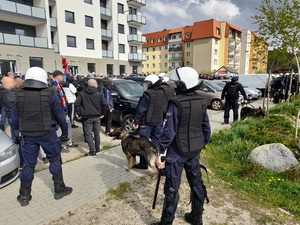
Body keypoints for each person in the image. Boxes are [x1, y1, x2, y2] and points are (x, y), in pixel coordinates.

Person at [152, 67, 211, 225]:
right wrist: (201, 144)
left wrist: (160, 153)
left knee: (172, 187)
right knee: (196, 183)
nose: (175, 85)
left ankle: (166, 222)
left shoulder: (176, 103)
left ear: (182, 83)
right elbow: (206, 128)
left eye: (177, 83)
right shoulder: (201, 100)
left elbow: (168, 132)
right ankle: (197, 218)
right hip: (194, 151)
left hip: (176, 153)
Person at [11, 67, 73, 207]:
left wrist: (15, 135)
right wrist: (65, 133)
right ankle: (59, 189)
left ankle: (24, 196)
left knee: (28, 165)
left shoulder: (19, 94)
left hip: (27, 136)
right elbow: (60, 115)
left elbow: (14, 119)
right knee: (55, 160)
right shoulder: (50, 93)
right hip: (47, 134)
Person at [133, 74, 165, 170]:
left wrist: (136, 121)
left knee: (143, 144)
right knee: (156, 143)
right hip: (158, 122)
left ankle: (144, 164)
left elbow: (141, 109)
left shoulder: (147, 94)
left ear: (151, 83)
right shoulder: (162, 93)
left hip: (146, 123)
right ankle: (157, 162)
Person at [75, 79, 108, 156]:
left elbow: (76, 103)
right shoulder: (99, 94)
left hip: (86, 117)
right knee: (97, 134)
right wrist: (103, 113)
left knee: (88, 135)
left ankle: (92, 150)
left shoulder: (82, 93)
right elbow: (105, 104)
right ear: (94, 84)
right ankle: (97, 149)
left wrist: (80, 113)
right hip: (97, 116)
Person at [52, 70, 78, 148]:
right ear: (58, 76)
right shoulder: (54, 86)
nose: (64, 77)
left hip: (64, 109)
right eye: (62, 76)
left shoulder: (59, 85)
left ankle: (68, 141)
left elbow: (62, 97)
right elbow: (56, 100)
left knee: (67, 126)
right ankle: (60, 145)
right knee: (59, 130)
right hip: (60, 112)